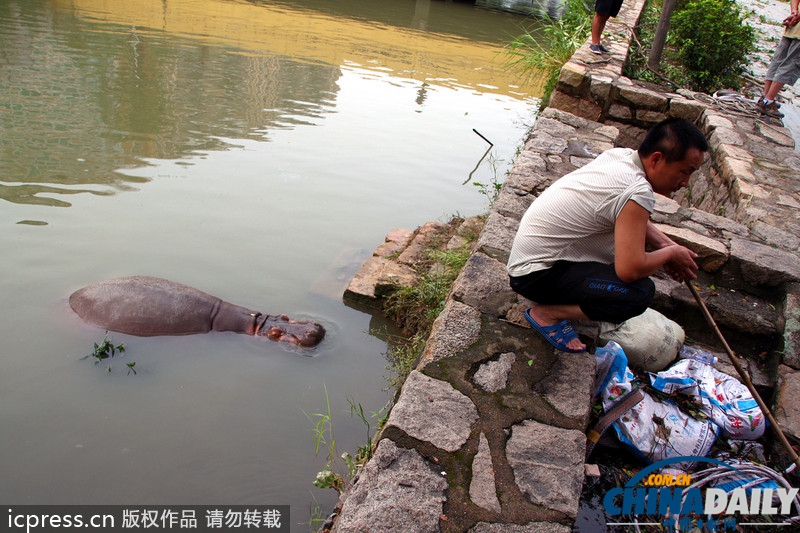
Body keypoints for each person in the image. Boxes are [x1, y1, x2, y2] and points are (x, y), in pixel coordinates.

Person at [507, 118, 708, 353]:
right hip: (535, 275)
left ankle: (559, 299)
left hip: (529, 264)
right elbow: (630, 269)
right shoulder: (637, 190)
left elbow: (635, 220)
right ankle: (547, 314)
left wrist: (665, 244)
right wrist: (669, 253)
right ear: (656, 159)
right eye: (685, 172)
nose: (685, 183)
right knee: (639, 294)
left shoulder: (621, 157)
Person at [759, 0, 800, 119]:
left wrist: (794, 12)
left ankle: (765, 97)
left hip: (792, 25)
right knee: (790, 65)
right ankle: (768, 101)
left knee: (778, 61)